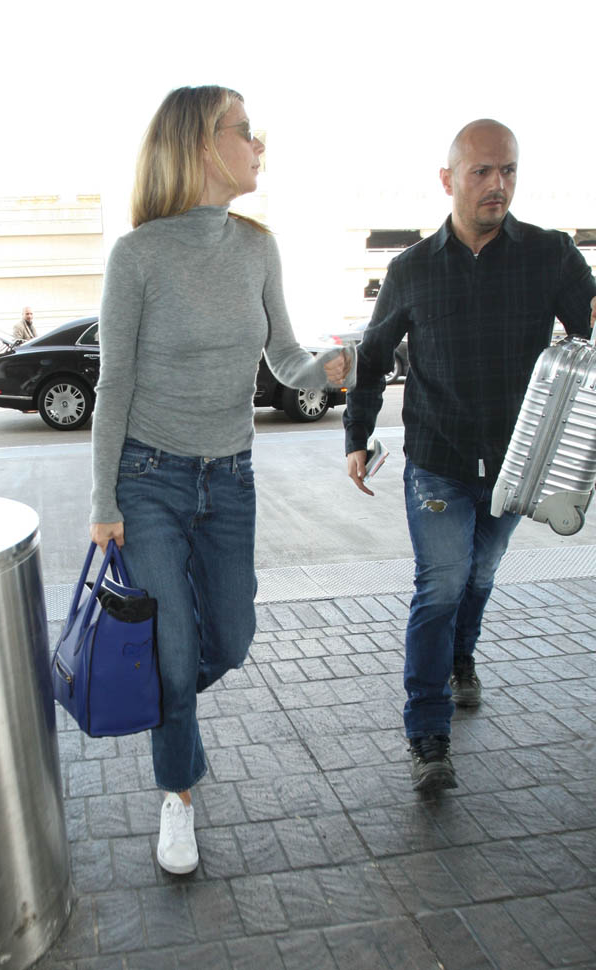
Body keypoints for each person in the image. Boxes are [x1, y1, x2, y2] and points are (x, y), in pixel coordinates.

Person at [89, 85, 354, 874]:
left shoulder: (257, 247)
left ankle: (159, 697)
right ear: (202, 145)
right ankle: (178, 793)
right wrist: (103, 499)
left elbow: (284, 357)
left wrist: (325, 368)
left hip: (230, 480)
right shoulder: (138, 256)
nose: (258, 143)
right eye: (245, 130)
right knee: (173, 651)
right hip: (149, 480)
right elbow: (113, 384)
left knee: (230, 641)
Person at [344, 119, 596, 794]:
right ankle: (428, 734)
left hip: (517, 466)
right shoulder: (412, 269)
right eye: (482, 171)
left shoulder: (550, 255)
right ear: (448, 179)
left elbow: (589, 330)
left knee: (479, 575)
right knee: (443, 583)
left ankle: (461, 658)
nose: (497, 184)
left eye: (508, 170)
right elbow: (372, 357)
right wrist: (357, 436)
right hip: (438, 458)